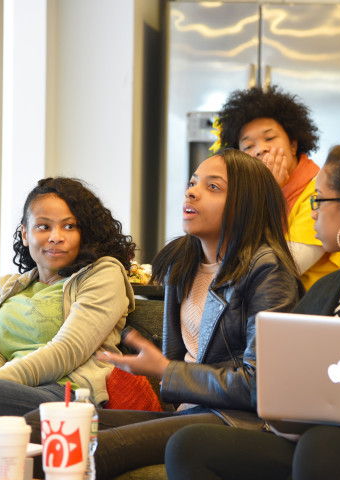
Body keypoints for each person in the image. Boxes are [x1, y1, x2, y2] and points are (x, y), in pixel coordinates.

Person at [163, 139, 340, 480]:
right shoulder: (328, 289)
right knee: (190, 446)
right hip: (317, 439)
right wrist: (287, 415)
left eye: (319, 199)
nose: (311, 211)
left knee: (325, 445)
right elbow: (283, 380)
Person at [27, 148, 303, 479]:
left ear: (246, 204)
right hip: (189, 413)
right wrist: (160, 366)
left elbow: (259, 386)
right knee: (37, 426)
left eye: (212, 187)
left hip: (237, 420)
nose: (191, 191)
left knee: (92, 446)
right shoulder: (181, 264)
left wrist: (166, 370)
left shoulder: (267, 269)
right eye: (193, 182)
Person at [0, 177, 136, 419]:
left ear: (84, 233)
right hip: (2, 389)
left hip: (66, 394)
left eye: (69, 226)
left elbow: (67, 351)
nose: (56, 236)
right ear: (26, 234)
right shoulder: (5, 287)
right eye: (44, 226)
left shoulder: (103, 274)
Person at [214, 85, 340, 290]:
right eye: (248, 146)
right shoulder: (244, 197)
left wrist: (267, 194)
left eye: (269, 138)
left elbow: (276, 271)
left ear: (293, 144)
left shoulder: (319, 192)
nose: (261, 149)